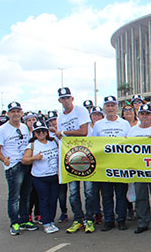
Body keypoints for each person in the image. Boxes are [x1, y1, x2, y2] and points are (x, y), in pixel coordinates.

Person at [55, 87, 96, 234]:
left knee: (89, 191)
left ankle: (89, 219)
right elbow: (61, 140)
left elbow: (83, 131)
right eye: (63, 98)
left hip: (86, 156)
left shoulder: (80, 111)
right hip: (70, 158)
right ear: (60, 100)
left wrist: (64, 133)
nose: (66, 101)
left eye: (68, 98)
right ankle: (78, 219)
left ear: (72, 98)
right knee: (73, 192)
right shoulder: (60, 118)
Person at [0, 101, 37, 235]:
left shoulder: (24, 127)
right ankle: (14, 222)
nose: (16, 114)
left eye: (18, 111)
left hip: (26, 163)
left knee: (26, 194)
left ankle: (24, 219)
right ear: (8, 114)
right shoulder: (2, 130)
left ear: (21, 113)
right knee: (14, 196)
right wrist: (4, 159)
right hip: (13, 166)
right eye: (13, 111)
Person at [90, 95, 131, 231]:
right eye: (108, 106)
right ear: (104, 108)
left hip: (121, 165)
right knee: (107, 195)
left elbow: (130, 144)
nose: (110, 108)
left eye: (113, 105)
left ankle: (121, 219)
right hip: (105, 166)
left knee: (121, 194)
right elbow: (93, 144)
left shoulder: (124, 123)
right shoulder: (98, 125)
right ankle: (108, 219)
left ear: (116, 107)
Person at [127, 104, 151, 234]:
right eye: (142, 114)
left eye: (148, 114)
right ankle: (142, 223)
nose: (145, 116)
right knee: (141, 197)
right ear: (138, 116)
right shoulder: (132, 130)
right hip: (138, 169)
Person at [21, 120, 60, 234]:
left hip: (54, 176)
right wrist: (34, 158)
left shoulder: (54, 142)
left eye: (43, 131)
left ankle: (51, 221)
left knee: (53, 200)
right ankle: (46, 223)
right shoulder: (32, 145)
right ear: (34, 133)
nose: (41, 133)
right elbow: (24, 160)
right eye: (38, 132)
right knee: (44, 200)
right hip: (40, 177)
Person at [46, 110, 68, 223]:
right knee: (57, 193)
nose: (53, 123)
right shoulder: (47, 135)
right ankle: (59, 213)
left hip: (67, 164)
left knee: (68, 192)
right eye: (50, 121)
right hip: (54, 167)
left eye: (54, 120)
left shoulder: (64, 130)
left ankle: (67, 212)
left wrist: (58, 133)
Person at [23, 113, 41, 224]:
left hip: (39, 165)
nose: (31, 122)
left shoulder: (40, 132)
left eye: (33, 119)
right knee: (29, 192)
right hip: (28, 164)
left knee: (39, 191)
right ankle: (28, 213)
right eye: (29, 120)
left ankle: (38, 213)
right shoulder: (24, 133)